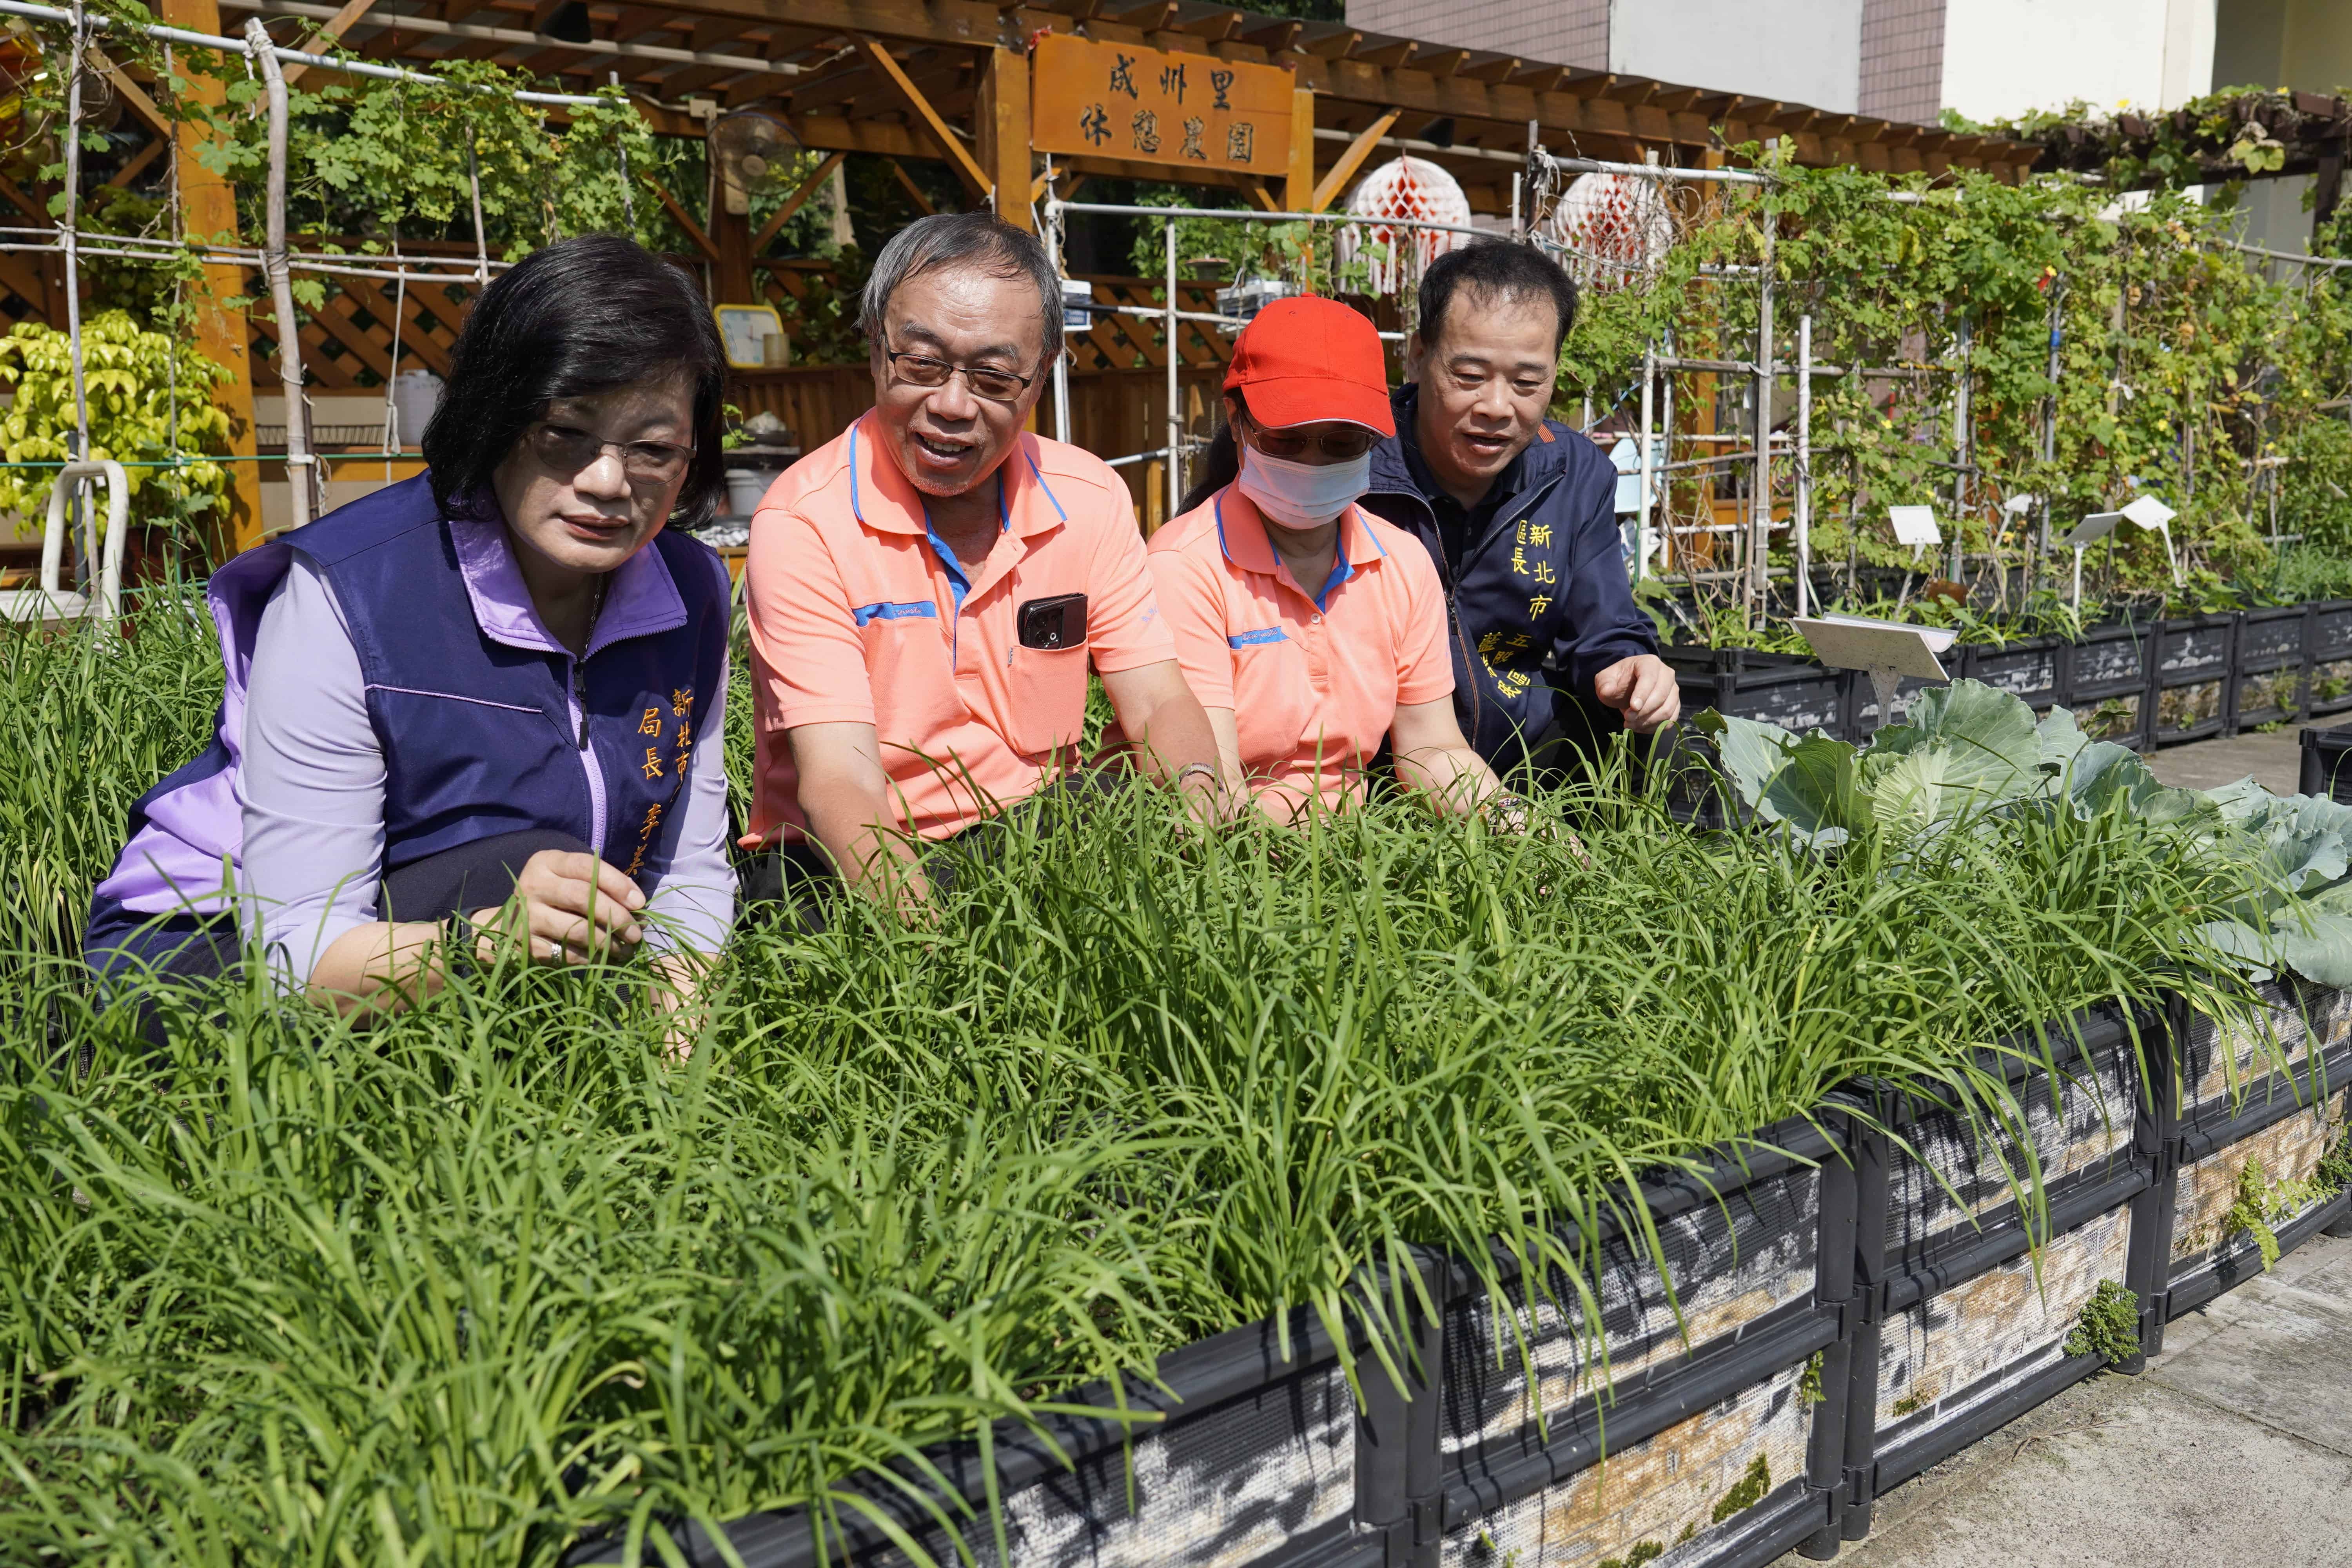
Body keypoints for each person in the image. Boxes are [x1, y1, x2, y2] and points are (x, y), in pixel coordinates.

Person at [84, 234, 737, 1023]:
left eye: (654, 448)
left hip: (474, 937)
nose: (607, 482)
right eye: (565, 432)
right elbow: (295, 950)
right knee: (522, 863)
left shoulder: (690, 588)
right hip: (215, 951)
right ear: (498, 414)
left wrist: (680, 1079)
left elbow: (685, 870)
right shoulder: (349, 589)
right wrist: (485, 944)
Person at [742, 212, 1225, 909]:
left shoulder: (1089, 498)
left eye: (994, 376)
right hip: (846, 856)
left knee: (1132, 796)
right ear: (877, 351)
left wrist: (1203, 830)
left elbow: (1158, 698)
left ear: (1039, 380)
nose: (951, 405)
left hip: (1038, 826)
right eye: (922, 364)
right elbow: (839, 782)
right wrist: (932, 947)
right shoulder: (803, 522)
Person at [1151, 296, 1514, 825]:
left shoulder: (1403, 562)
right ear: (1236, 422)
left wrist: (1518, 826)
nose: (1313, 462)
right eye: (1286, 439)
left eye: (1342, 442)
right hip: (1227, 853)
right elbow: (1213, 785)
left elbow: (1432, 748)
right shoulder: (1186, 566)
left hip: (1350, 847)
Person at [1355, 242, 1679, 777]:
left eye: (1527, 383)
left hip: (1522, 751)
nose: (1497, 407)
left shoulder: (1574, 474)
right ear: (1417, 357)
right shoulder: (1351, 462)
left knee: (1659, 734)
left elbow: (1604, 627)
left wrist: (1629, 667)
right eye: (1469, 376)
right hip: (1373, 761)